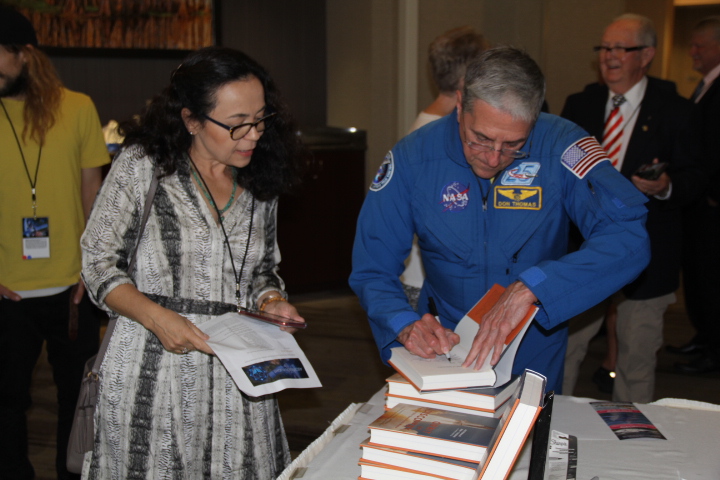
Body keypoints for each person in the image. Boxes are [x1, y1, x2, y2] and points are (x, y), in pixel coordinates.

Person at [349, 46, 651, 394]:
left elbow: (628, 236)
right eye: (481, 139)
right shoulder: (413, 157)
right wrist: (402, 323)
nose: (493, 158)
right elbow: (373, 268)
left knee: (526, 442)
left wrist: (536, 287)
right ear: (460, 105)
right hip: (445, 345)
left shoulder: (563, 145)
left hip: (535, 342)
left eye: (514, 144)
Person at [80, 47, 304, 478]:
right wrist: (160, 319)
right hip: (152, 370)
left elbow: (260, 269)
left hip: (239, 379)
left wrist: (272, 299)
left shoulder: (260, 177)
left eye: (261, 118)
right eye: (237, 124)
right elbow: (98, 263)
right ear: (191, 120)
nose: (253, 135)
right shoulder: (145, 167)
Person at [560, 14, 701, 403]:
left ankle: (631, 446)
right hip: (586, 251)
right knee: (567, 349)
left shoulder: (676, 111)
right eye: (604, 48)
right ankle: (549, 429)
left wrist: (665, 186)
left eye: (620, 48)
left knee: (637, 357)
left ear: (647, 55)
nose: (609, 56)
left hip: (650, 252)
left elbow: (696, 177)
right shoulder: (580, 105)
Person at [0, 7, 109, 480]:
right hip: (8, 291)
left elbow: (93, 192)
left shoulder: (78, 107)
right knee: (5, 404)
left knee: (78, 398)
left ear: (24, 55)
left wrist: (96, 267)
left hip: (72, 288)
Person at [403, 26, 489, 309]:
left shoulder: (417, 131)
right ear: (468, 80)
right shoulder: (444, 139)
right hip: (433, 286)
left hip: (419, 279)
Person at [671, 16, 720, 373]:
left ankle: (715, 352)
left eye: (699, 45)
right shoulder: (705, 85)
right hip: (698, 202)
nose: (692, 52)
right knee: (700, 277)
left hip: (713, 204)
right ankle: (704, 337)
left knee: (713, 278)